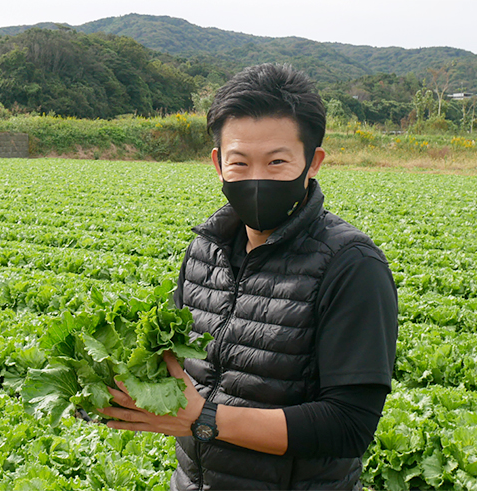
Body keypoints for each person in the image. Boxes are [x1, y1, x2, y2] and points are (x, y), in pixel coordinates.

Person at [97, 63, 398, 490]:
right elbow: (179, 367)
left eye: (277, 162)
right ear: (219, 164)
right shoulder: (205, 249)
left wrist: (206, 420)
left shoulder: (351, 265)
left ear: (312, 163)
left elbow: (349, 426)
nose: (256, 178)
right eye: (240, 161)